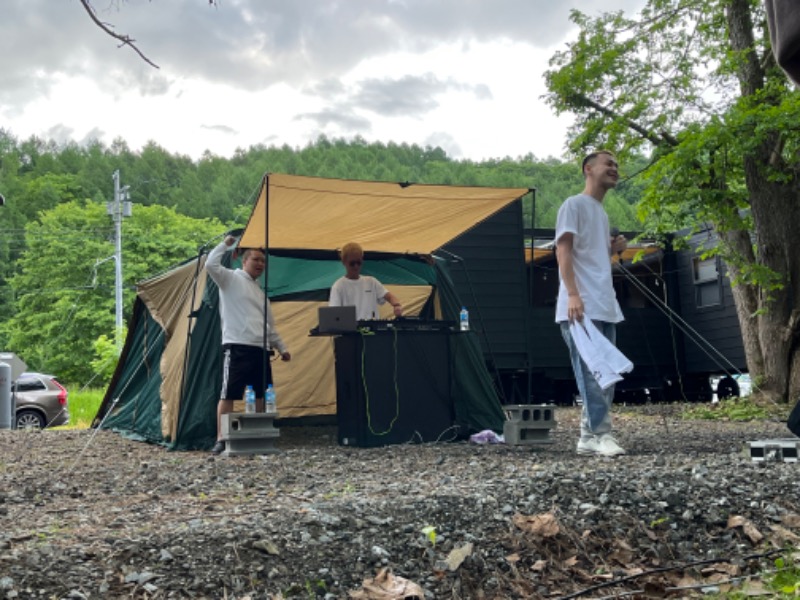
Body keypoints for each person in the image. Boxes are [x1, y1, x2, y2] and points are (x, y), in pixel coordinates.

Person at [555, 150, 628, 457]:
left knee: (608, 372)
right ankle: (601, 433)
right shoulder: (574, 204)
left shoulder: (601, 212)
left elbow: (592, 258)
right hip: (579, 305)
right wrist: (572, 293)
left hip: (605, 302)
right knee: (591, 372)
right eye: (608, 164)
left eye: (616, 165)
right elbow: (564, 250)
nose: (614, 169)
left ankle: (588, 435)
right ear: (588, 169)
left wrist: (612, 250)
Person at [206, 235, 291, 455]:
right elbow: (210, 264)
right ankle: (221, 438)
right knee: (229, 393)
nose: (260, 264)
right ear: (244, 261)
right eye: (256, 259)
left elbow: (269, 326)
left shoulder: (262, 295)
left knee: (262, 393)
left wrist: (282, 347)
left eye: (263, 261)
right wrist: (226, 244)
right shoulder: (230, 279)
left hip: (260, 348)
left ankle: (258, 434)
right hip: (237, 345)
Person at [329, 242, 404, 320]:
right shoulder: (338, 286)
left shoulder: (371, 282)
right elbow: (334, 315)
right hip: (350, 330)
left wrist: (396, 305)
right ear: (344, 262)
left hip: (372, 329)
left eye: (359, 262)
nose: (356, 266)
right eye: (352, 263)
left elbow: (389, 296)